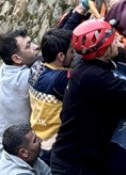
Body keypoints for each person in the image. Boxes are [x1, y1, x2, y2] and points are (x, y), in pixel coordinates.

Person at [48, 20, 126, 175]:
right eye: (113, 38)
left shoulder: (89, 70)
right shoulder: (92, 76)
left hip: (81, 159)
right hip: (74, 166)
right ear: (104, 50)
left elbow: (124, 106)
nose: (118, 40)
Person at [0, 30, 42, 175]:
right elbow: (51, 58)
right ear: (16, 58)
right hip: (5, 165)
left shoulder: (6, 69)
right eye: (29, 46)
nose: (35, 46)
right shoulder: (20, 81)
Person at [30, 28, 76, 164]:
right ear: (61, 56)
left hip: (39, 137)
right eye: (72, 51)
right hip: (54, 145)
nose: (75, 55)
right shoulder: (60, 80)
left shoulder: (36, 66)